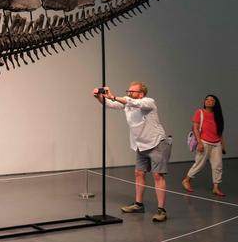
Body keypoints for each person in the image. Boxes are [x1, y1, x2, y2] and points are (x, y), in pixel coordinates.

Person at [92, 82, 172, 222]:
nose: (129, 93)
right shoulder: (127, 104)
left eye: (132, 91)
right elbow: (110, 104)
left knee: (157, 175)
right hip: (141, 145)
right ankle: (138, 205)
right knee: (139, 173)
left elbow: (133, 103)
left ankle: (161, 210)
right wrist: (99, 97)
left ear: (141, 94)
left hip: (156, 143)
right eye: (128, 91)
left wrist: (113, 96)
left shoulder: (149, 102)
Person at [182, 95, 227, 196]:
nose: (208, 101)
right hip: (204, 142)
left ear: (215, 103)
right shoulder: (200, 112)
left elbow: (220, 132)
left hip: (216, 144)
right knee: (199, 164)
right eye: (207, 99)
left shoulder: (217, 115)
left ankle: (216, 187)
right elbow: (195, 128)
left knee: (218, 165)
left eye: (211, 100)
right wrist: (199, 142)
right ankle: (186, 180)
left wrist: (223, 145)